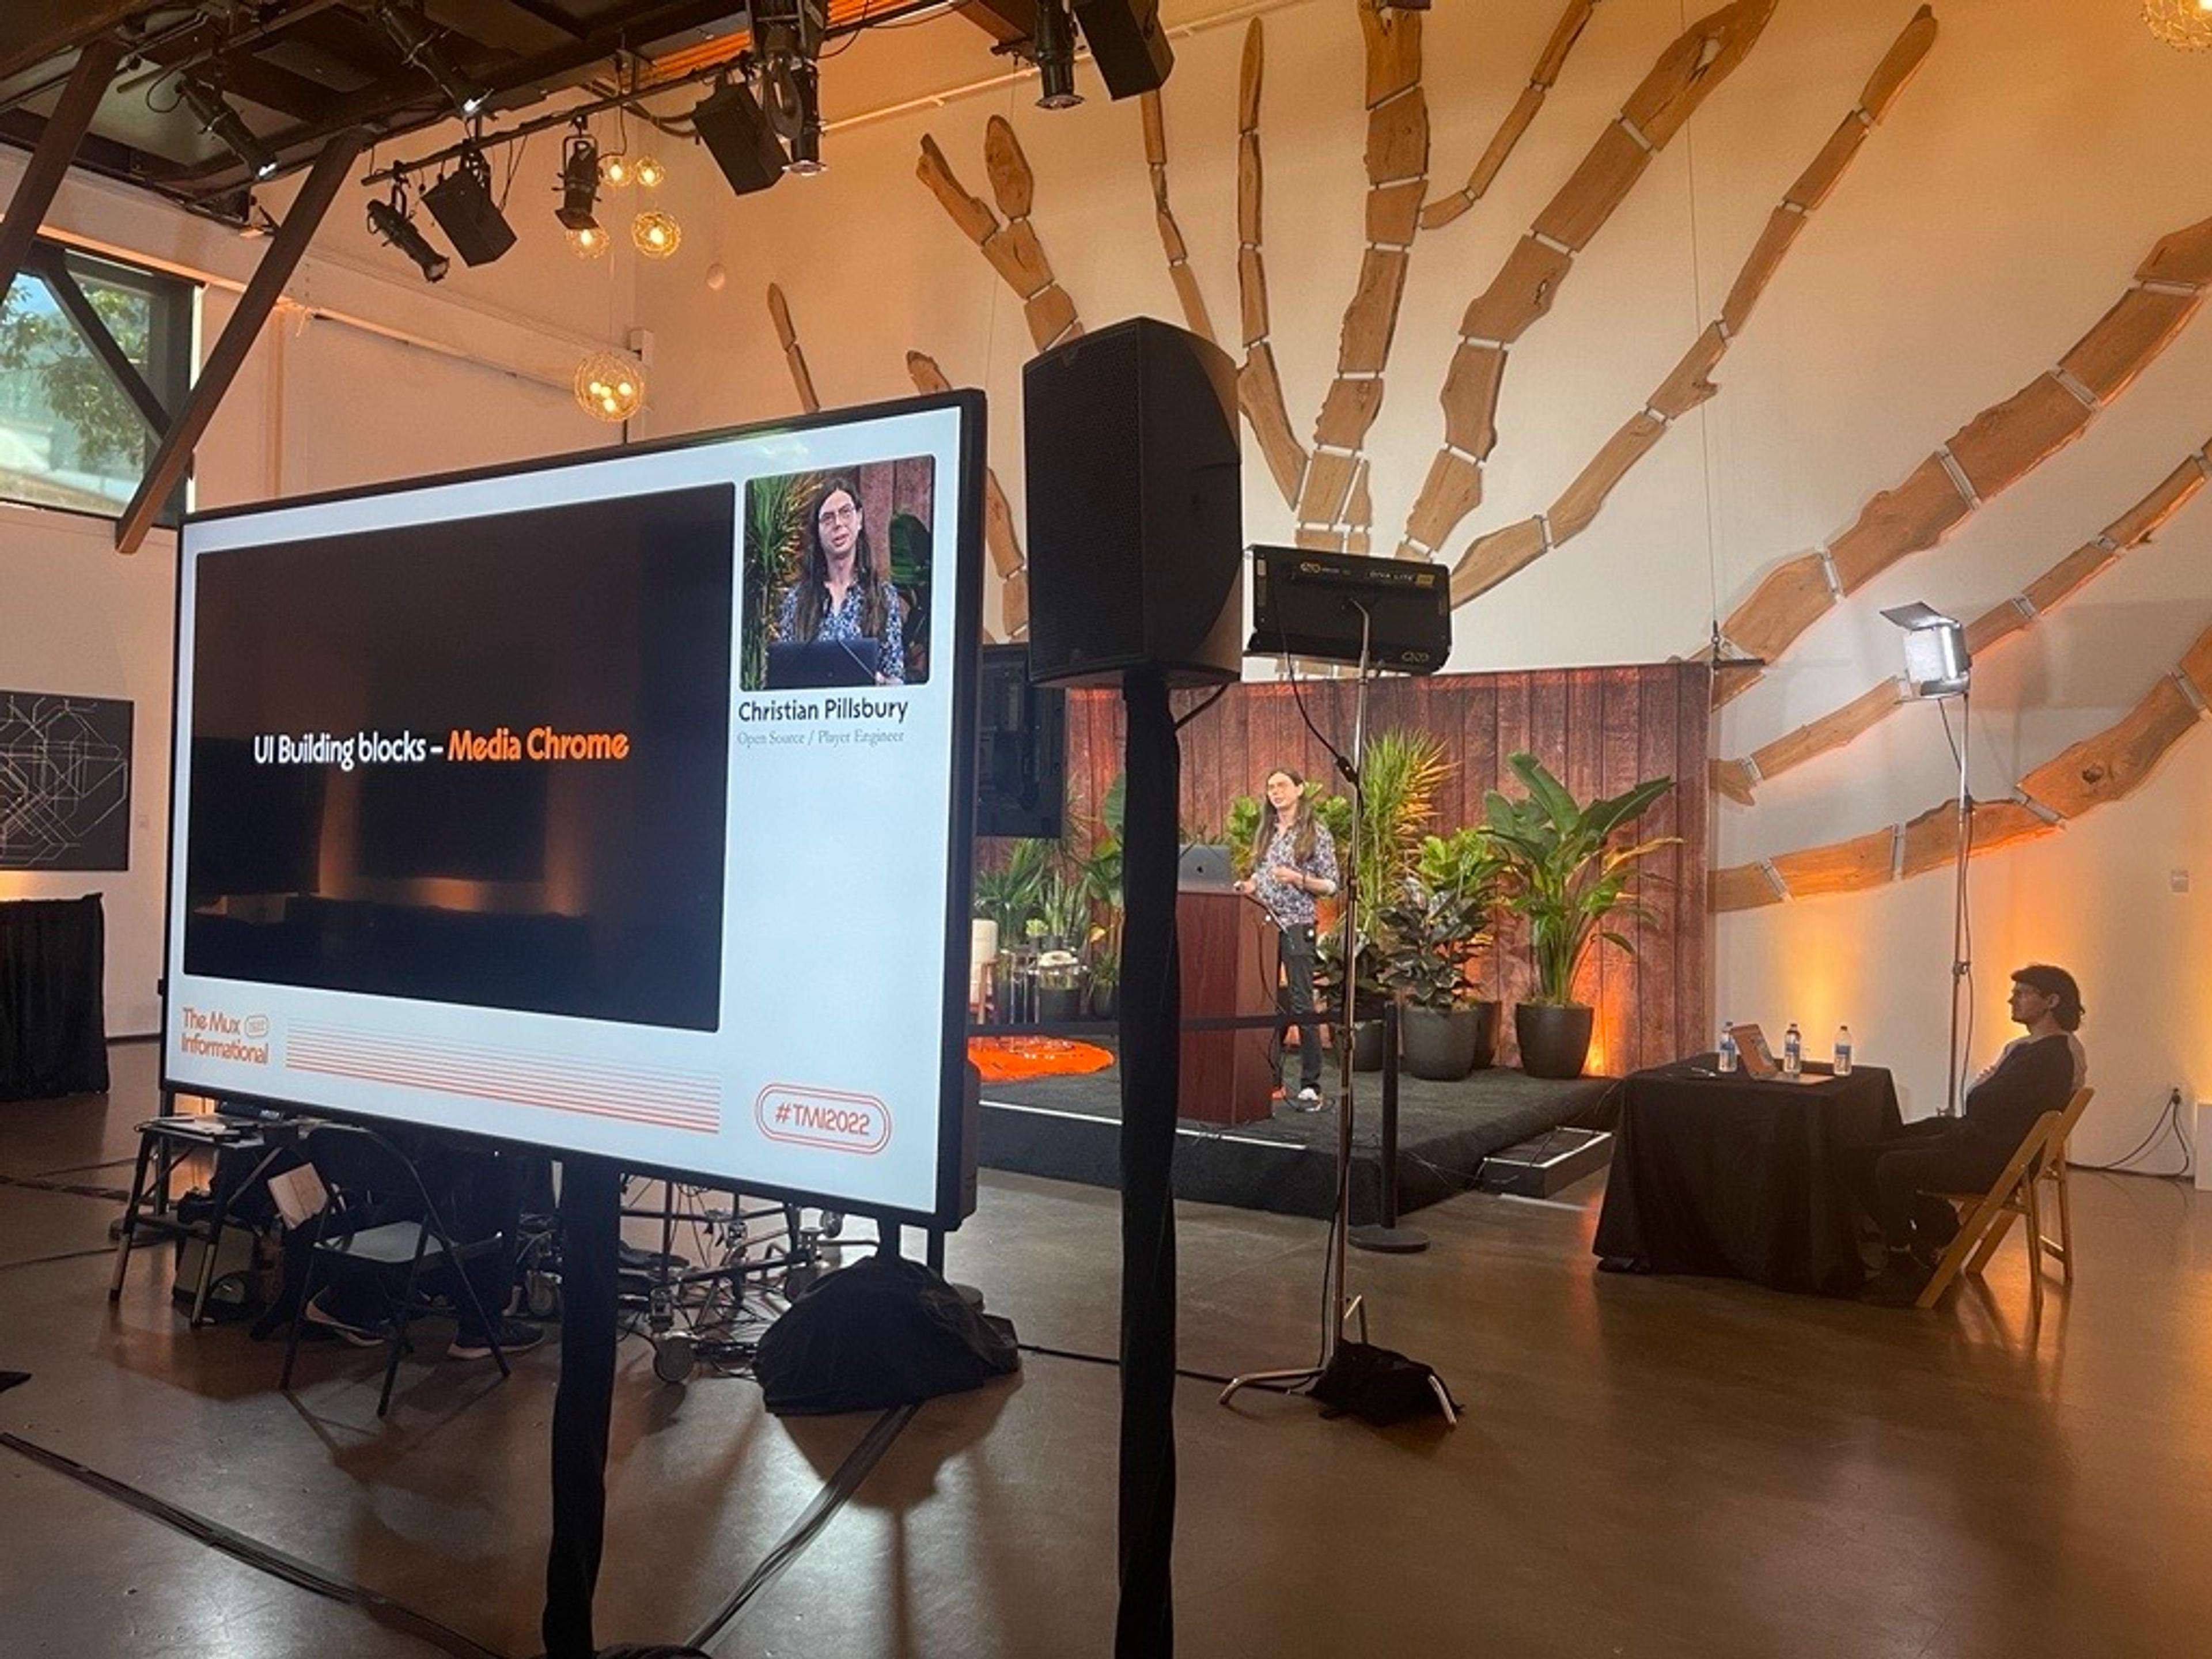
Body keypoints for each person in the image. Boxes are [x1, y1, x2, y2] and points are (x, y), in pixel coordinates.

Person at [1848, 964, 2088, 1306]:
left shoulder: (2052, 1057)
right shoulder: (2029, 1049)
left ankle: (1901, 1262)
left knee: (1890, 1166)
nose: (2012, 1000)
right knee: (1861, 1156)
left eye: (2022, 993)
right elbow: (1984, 1099)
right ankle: (1937, 1225)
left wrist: (1983, 1090)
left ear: (2051, 1001)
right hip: (1978, 1139)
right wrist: (1982, 1092)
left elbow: (1981, 1100)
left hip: (1992, 1156)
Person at [1235, 766, 1340, 1109]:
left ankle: (1311, 1084)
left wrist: (1299, 879)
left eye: (1281, 786)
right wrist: (1248, 886)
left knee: (1300, 1003)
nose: (1275, 792)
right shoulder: (1266, 832)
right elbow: (1260, 877)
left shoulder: (1315, 833)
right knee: (1265, 1002)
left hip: (1296, 925)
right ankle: (1271, 1080)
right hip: (1263, 924)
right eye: (1270, 787)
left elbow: (1331, 884)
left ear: (1299, 789)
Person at [774, 475, 906, 685]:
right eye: (827, 518)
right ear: (817, 531)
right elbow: (783, 677)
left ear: (860, 518)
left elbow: (897, 680)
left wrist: (878, 681)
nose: (838, 524)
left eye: (845, 513)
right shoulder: (797, 600)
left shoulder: (884, 597)